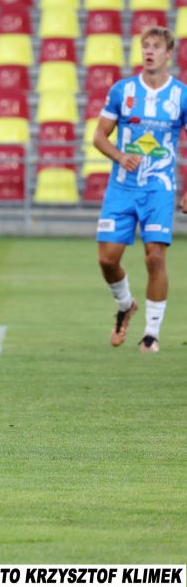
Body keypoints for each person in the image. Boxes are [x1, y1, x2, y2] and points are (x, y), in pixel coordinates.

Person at [92, 25, 187, 353]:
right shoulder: (123, 91)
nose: (149, 51)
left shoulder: (181, 95)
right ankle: (125, 304)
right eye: (145, 45)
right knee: (107, 260)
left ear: (168, 53)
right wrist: (120, 156)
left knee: (155, 257)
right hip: (122, 187)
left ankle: (151, 334)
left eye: (156, 46)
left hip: (159, 187)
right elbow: (99, 136)